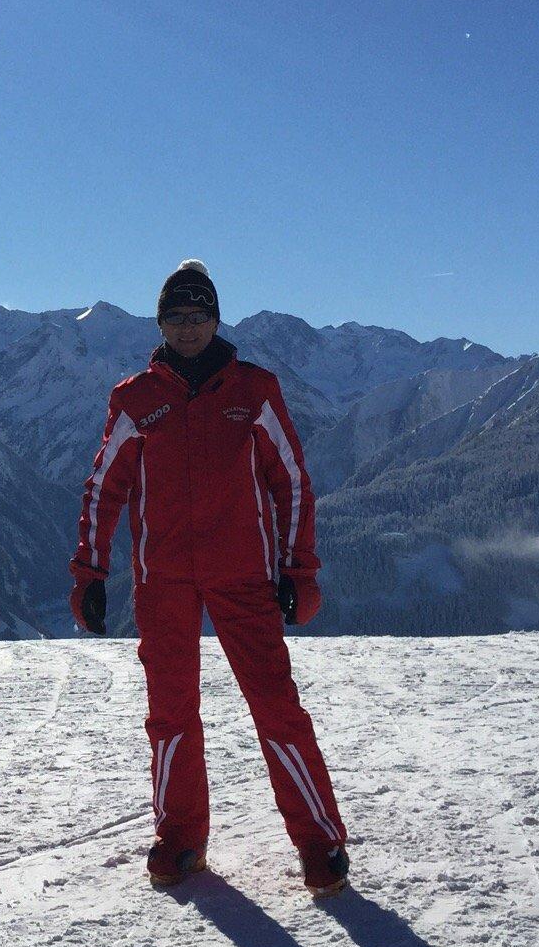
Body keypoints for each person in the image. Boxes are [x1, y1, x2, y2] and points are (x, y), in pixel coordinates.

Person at [69, 259, 351, 896]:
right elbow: (103, 489)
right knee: (170, 714)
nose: (188, 327)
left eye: (198, 315)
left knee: (276, 707)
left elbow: (292, 483)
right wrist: (90, 570)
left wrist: (298, 569)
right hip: (162, 580)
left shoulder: (254, 390)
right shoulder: (136, 398)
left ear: (217, 319)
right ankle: (180, 838)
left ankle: (320, 842)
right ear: (160, 324)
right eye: (176, 316)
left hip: (243, 575)